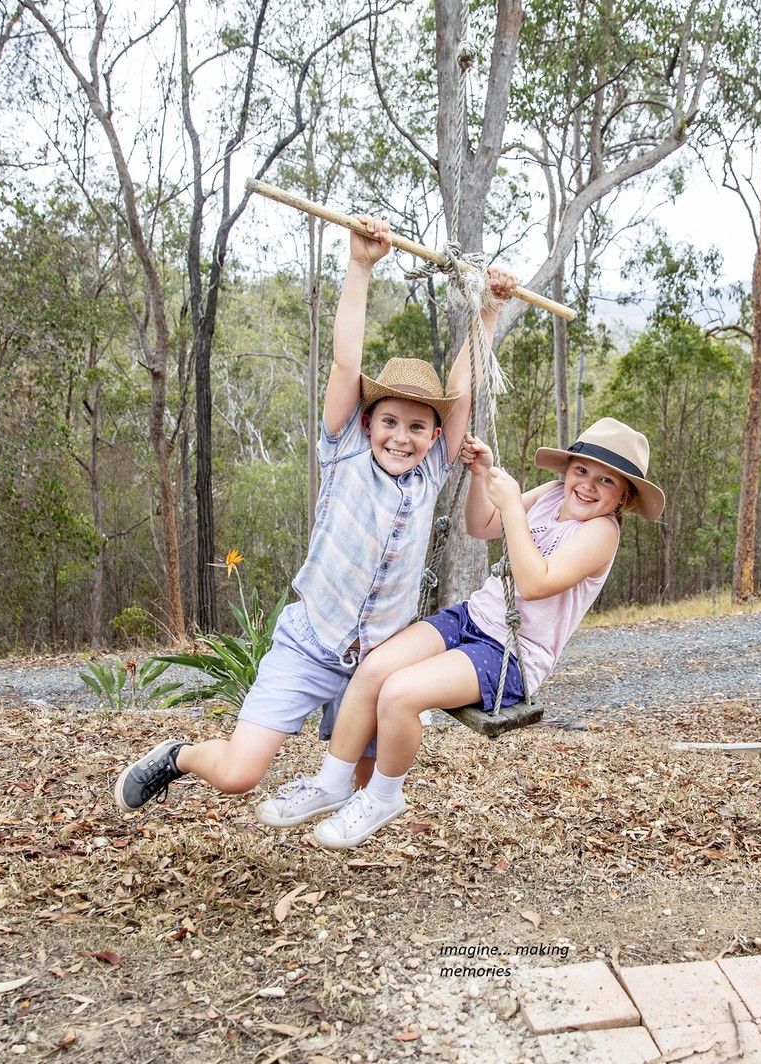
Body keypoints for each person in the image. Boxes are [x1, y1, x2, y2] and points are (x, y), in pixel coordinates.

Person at [114, 215, 517, 821]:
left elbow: (459, 391)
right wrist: (360, 267)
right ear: (365, 422)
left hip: (377, 656)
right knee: (238, 775)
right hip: (310, 643)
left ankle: (340, 832)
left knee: (358, 781)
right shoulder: (345, 451)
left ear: (435, 436)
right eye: (389, 421)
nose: (401, 437)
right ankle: (179, 755)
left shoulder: (433, 470)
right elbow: (345, 363)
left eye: (416, 427)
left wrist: (486, 312)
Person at [295, 416, 666, 849]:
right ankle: (332, 781)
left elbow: (535, 583)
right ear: (567, 470)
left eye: (607, 481)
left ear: (623, 498)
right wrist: (480, 476)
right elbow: (483, 526)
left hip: (513, 654)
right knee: (373, 669)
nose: (587, 485)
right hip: (471, 617)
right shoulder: (549, 495)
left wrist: (511, 506)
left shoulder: (601, 532)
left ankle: (382, 797)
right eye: (581, 470)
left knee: (399, 693)